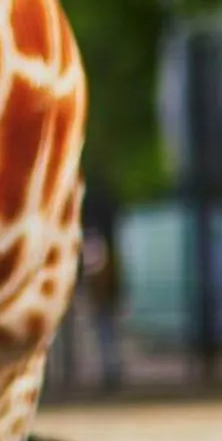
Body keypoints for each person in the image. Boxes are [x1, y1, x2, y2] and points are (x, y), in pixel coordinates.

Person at [80, 168, 125, 392]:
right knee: (105, 324)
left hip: (99, 285)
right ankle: (109, 366)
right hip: (98, 283)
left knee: (105, 324)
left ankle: (110, 367)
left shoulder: (95, 237)